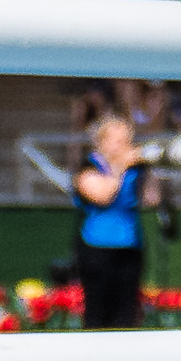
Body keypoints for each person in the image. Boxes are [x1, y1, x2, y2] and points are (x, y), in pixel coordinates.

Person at [72, 113, 151, 331]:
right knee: (98, 311)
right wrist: (119, 167)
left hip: (129, 245)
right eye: (118, 141)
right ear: (103, 143)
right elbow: (103, 195)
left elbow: (151, 198)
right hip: (97, 247)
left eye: (127, 141)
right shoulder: (89, 167)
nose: (124, 147)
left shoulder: (135, 169)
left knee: (127, 312)